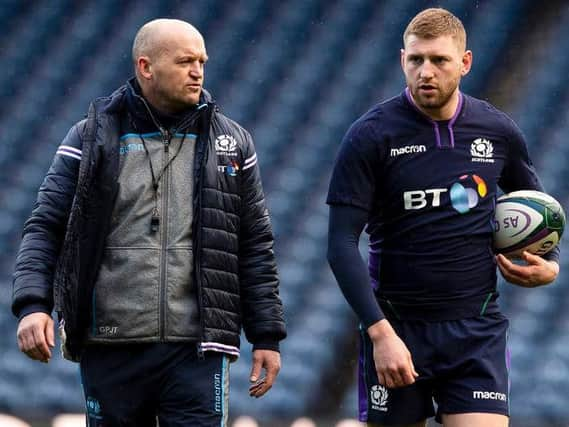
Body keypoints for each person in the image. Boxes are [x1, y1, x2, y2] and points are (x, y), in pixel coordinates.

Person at [12, 18, 286, 426]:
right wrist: (34, 305)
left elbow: (254, 245)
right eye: (185, 62)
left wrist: (266, 336)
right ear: (146, 67)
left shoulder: (232, 143)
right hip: (111, 343)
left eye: (202, 62)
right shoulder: (90, 139)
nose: (198, 72)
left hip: (198, 350)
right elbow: (47, 225)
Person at [327, 8, 559, 427]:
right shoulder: (370, 136)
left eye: (439, 60)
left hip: (476, 332)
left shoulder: (497, 130)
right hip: (398, 330)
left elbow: (540, 209)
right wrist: (380, 333)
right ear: (402, 60)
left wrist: (550, 263)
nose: (426, 72)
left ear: (465, 63)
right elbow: (340, 244)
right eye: (416, 60)